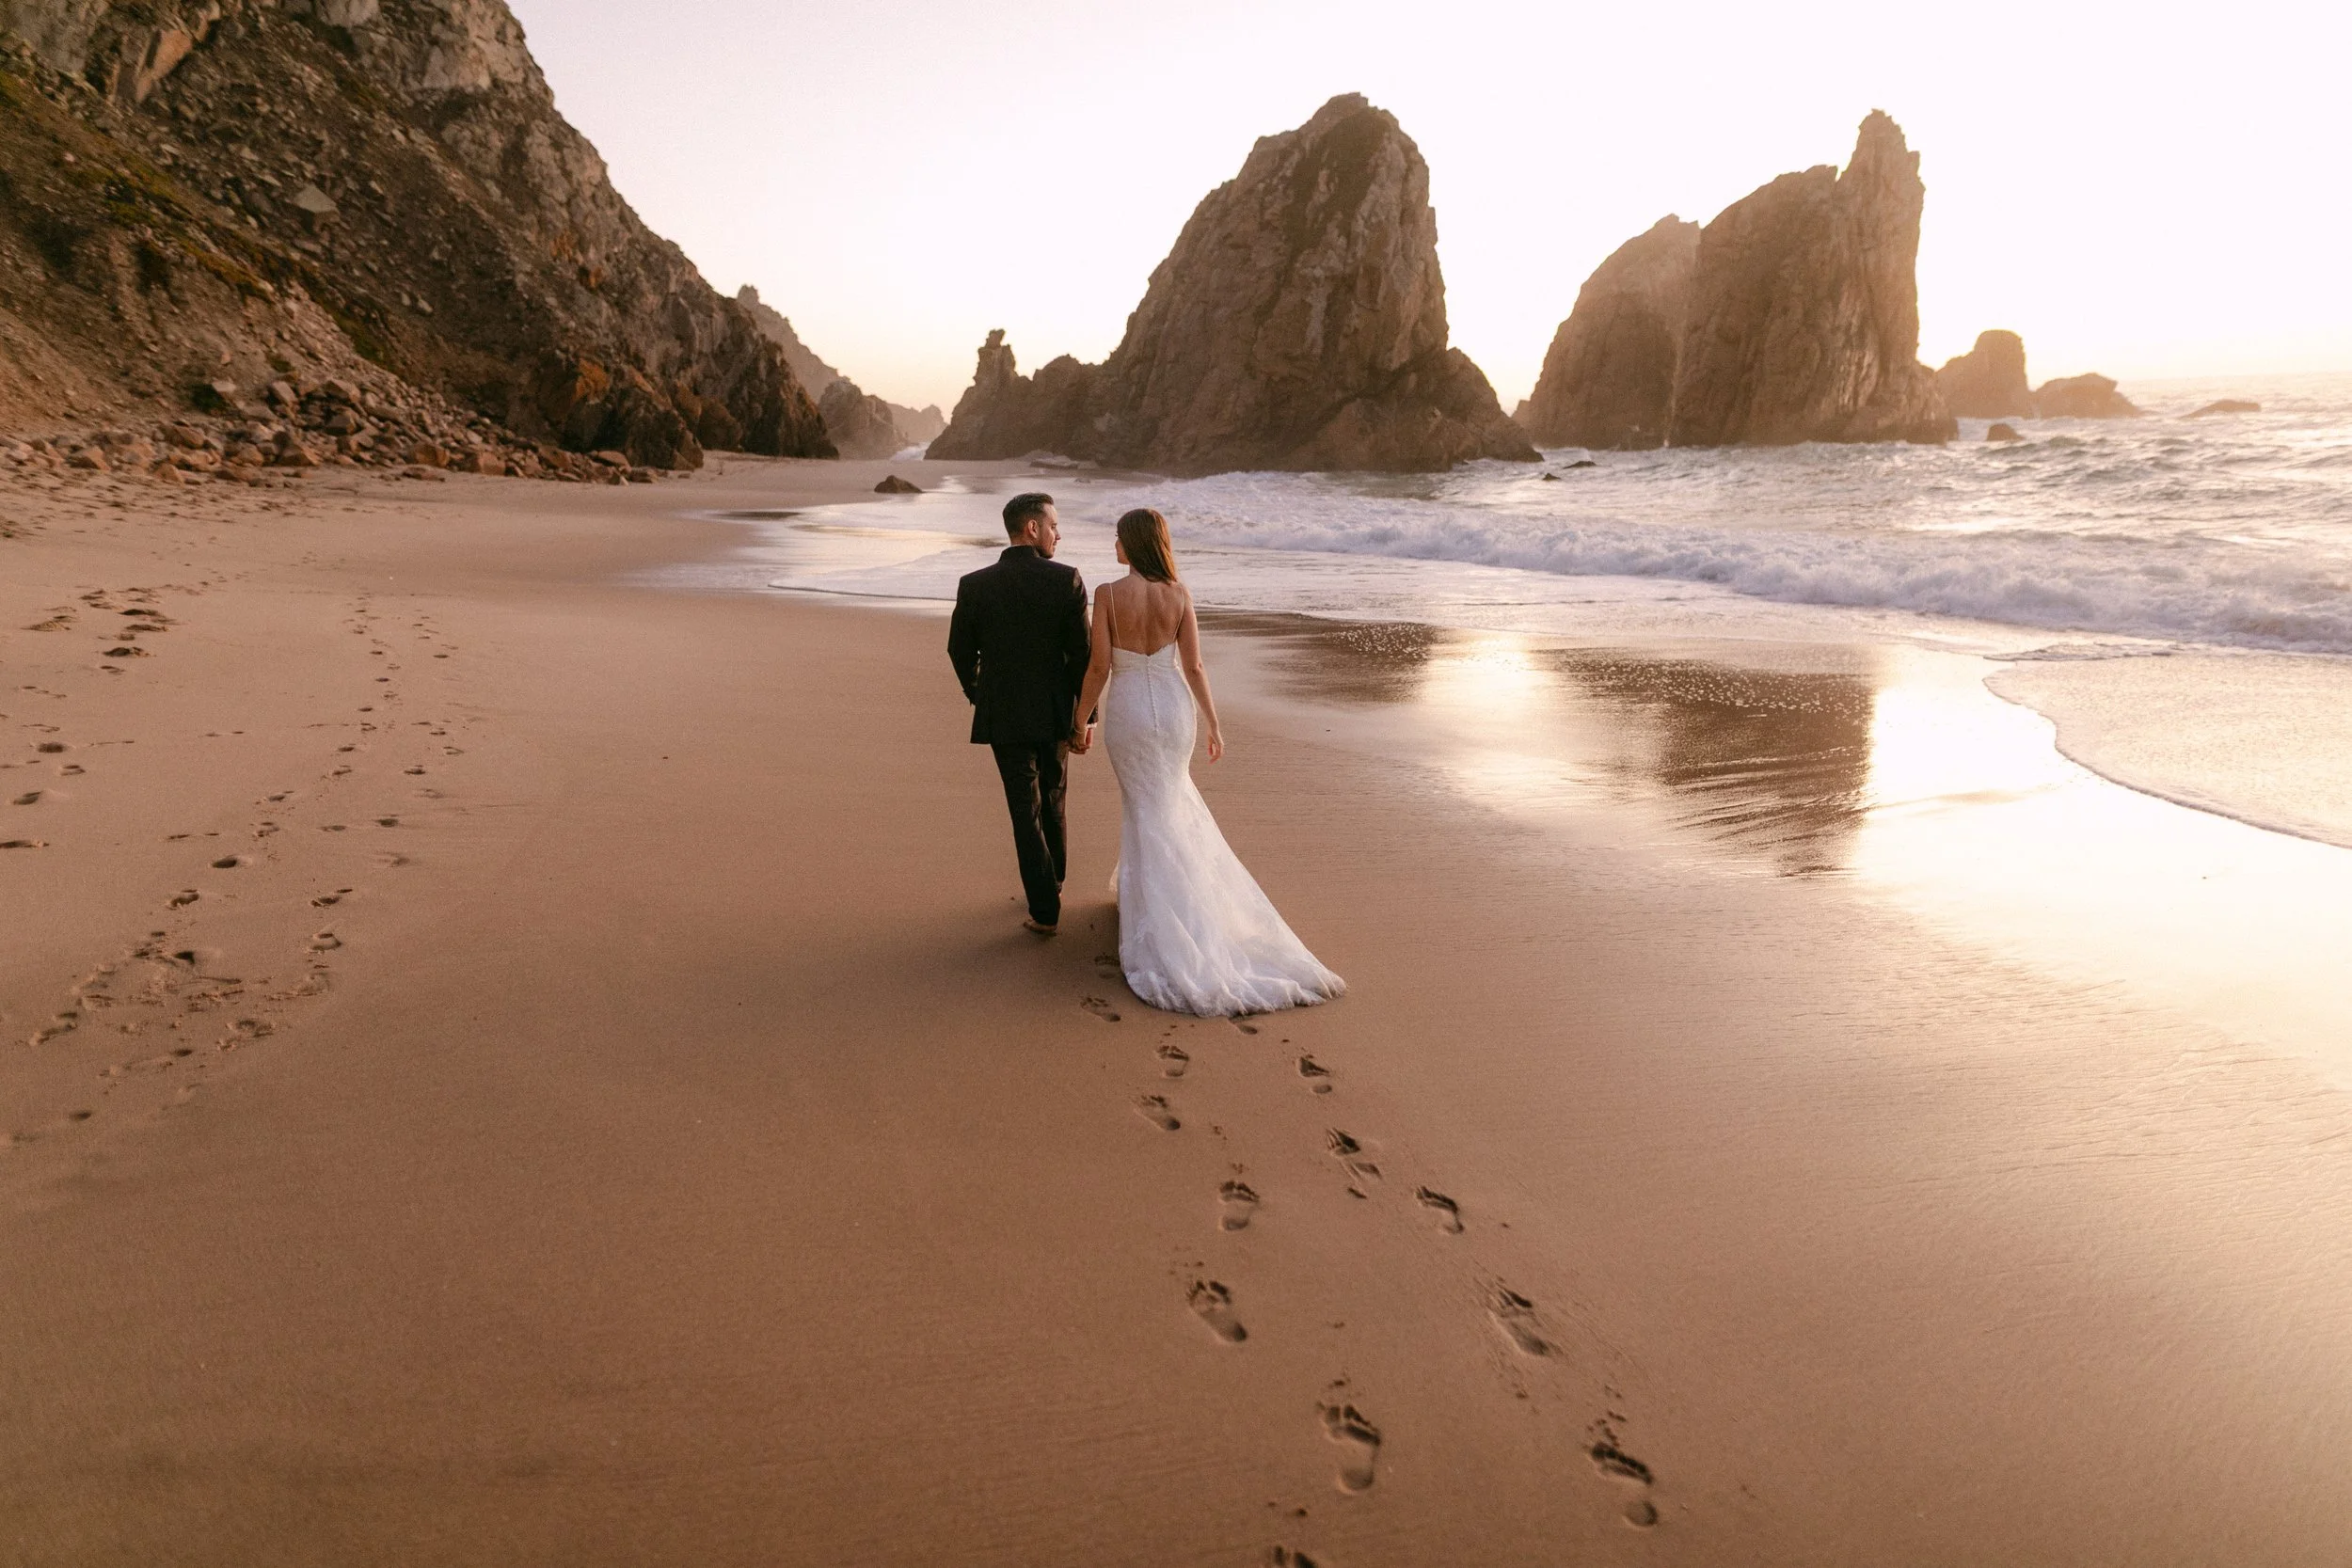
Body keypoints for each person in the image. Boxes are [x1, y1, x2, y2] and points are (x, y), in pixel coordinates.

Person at [1072, 507, 1343, 1016]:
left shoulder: (1108, 594)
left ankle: (1164, 916)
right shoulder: (1179, 595)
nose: (1114, 546)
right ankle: (1172, 900)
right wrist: (1214, 722)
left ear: (1131, 544)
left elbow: (1100, 666)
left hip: (1130, 712)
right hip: (1175, 713)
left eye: (1117, 538)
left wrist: (1078, 718)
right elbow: (1193, 665)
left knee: (1146, 808)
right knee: (1169, 803)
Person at [948, 492, 1093, 935]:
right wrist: (1084, 718)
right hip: (1055, 713)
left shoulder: (975, 584)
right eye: (1053, 526)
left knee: (1023, 811)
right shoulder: (1066, 580)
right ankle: (1058, 881)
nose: (1058, 534)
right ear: (1032, 528)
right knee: (1054, 797)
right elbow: (1083, 657)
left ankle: (1045, 910)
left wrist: (981, 692)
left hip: (1004, 715)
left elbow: (959, 650)